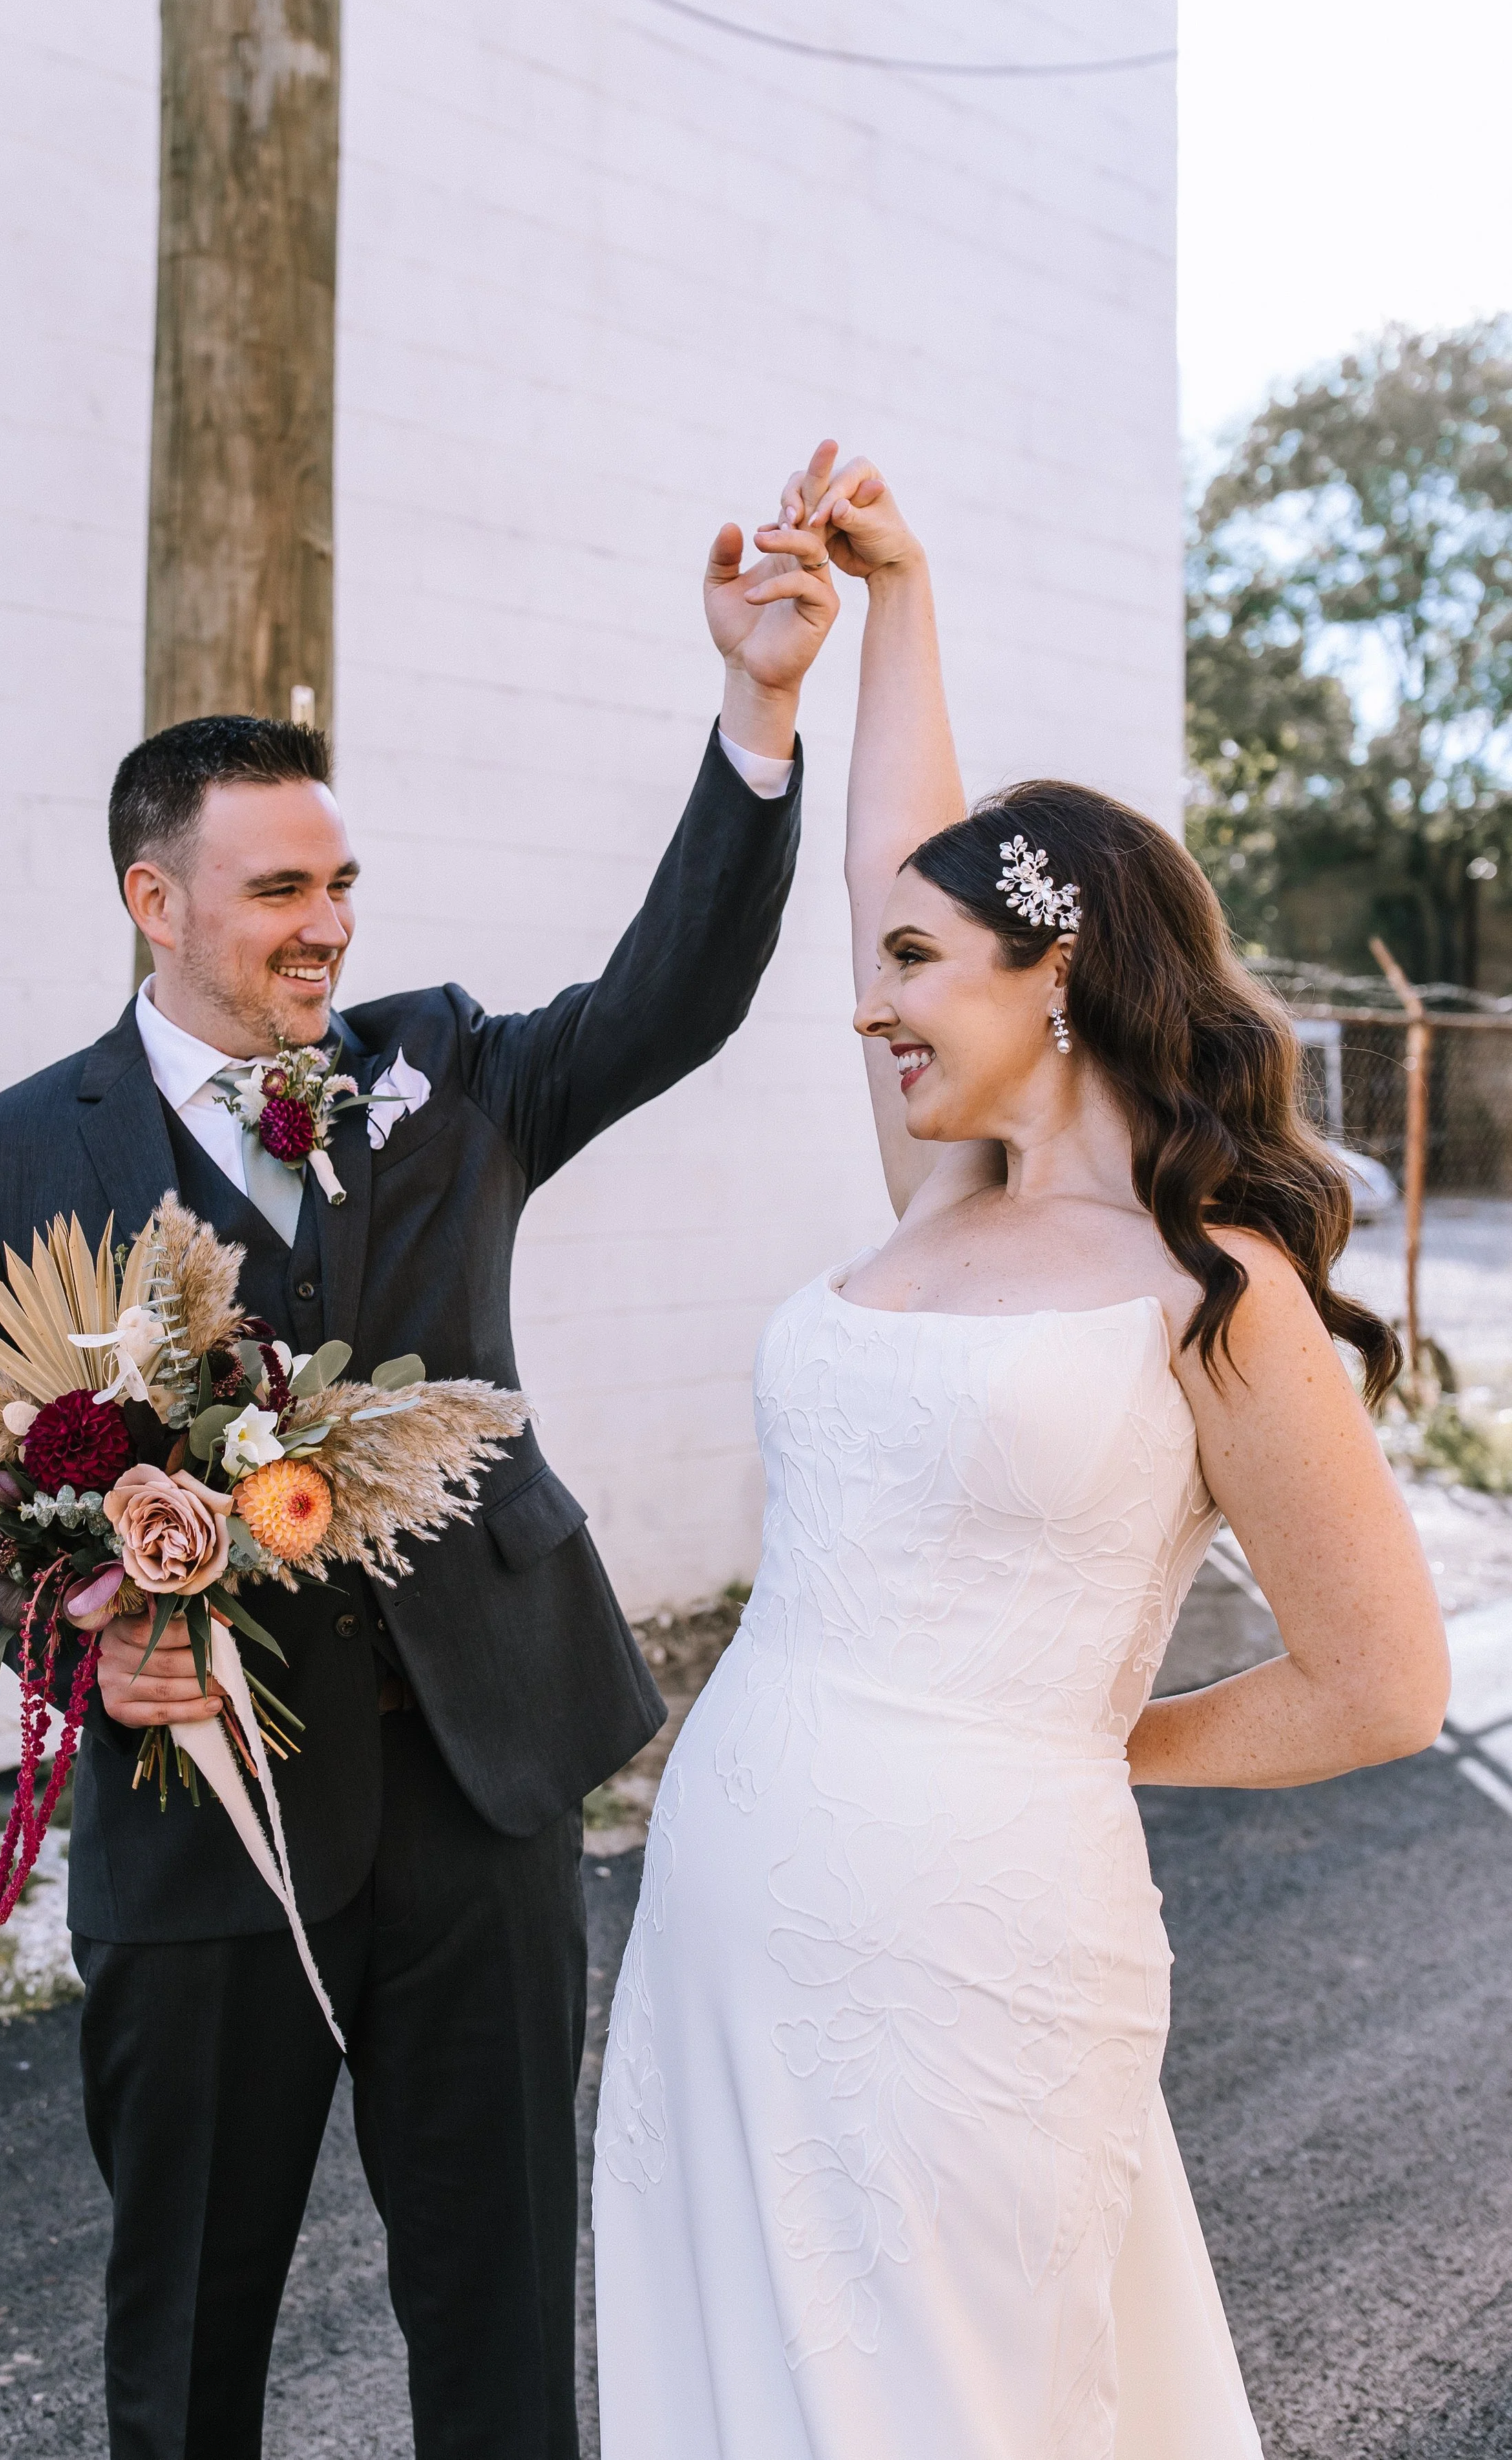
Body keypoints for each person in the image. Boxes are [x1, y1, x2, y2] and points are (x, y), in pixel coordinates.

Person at [0, 462, 844, 2460]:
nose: (328, 926)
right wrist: (83, 1634)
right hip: (205, 1819)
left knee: (500, 2318)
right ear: (153, 901)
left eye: (340, 885)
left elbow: (671, 996)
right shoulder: (13, 1152)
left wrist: (757, 709)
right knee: (188, 2341)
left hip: (477, 1787)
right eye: (278, 892)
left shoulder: (446, 1067)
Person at [591, 455, 1451, 2460]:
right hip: (729, 1914)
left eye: (914, 966)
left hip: (977, 1943)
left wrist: (1085, 1743)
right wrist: (897, 607)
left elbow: (1383, 1682)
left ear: (1048, 972)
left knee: (953, 2396)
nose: (870, 1006)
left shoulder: (1209, 1282)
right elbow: (892, 860)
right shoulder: (938, 1197)